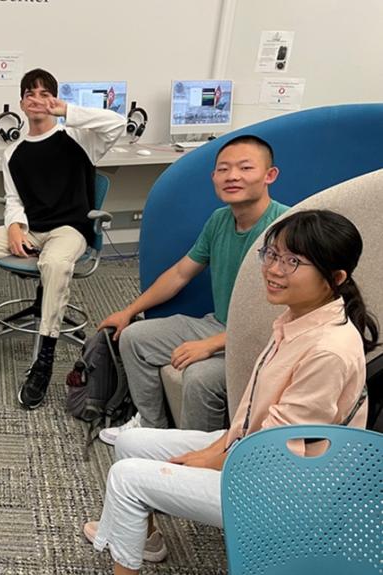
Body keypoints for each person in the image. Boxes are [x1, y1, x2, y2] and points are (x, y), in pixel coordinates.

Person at [83, 210, 378, 575]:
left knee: (126, 478)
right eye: (272, 254)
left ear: (335, 278)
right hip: (255, 452)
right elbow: (261, 416)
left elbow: (279, 448)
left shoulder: (327, 349)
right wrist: (213, 449)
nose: (273, 269)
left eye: (293, 261)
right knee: (132, 444)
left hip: (285, 490)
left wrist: (213, 459)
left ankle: (121, 536)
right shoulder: (297, 318)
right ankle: (141, 539)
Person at [0, 68, 125, 410]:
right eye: (30, 94)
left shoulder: (79, 138)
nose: (36, 100)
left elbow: (117, 123)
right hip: (33, 228)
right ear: (21, 103)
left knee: (53, 263)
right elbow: (14, 201)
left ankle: (45, 358)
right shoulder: (14, 153)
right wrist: (13, 227)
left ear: (53, 99)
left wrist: (66, 110)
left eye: (44, 93)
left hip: (69, 229)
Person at [98, 135, 289, 442]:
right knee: (134, 337)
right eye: (223, 169)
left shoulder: (286, 228)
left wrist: (214, 344)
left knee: (199, 377)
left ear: (270, 175)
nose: (233, 176)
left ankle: (196, 454)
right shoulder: (219, 220)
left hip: (267, 339)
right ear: (214, 177)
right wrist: (129, 311)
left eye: (245, 168)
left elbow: (289, 318)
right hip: (219, 322)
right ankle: (151, 427)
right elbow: (179, 274)